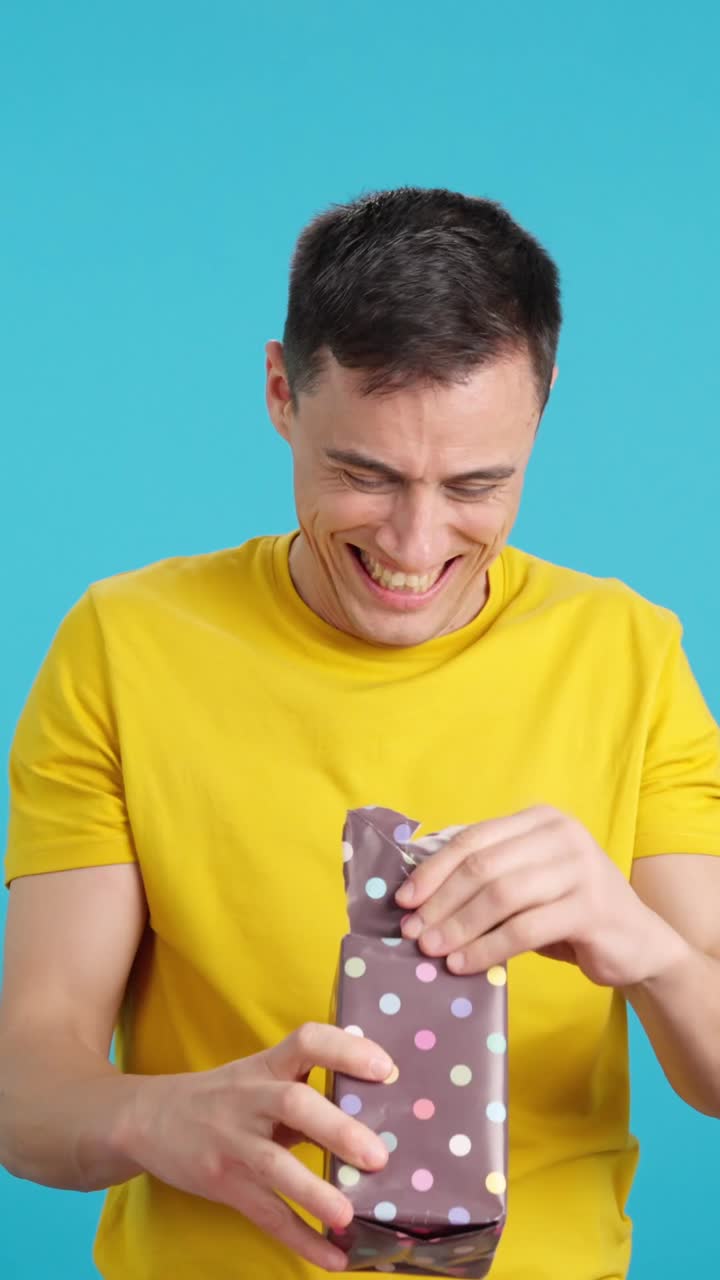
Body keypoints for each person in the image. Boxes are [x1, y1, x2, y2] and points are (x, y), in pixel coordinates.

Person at [1, 186, 719, 1280]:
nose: (416, 546)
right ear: (281, 393)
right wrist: (152, 1117)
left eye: (477, 484)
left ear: (540, 410)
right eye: (363, 474)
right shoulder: (122, 645)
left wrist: (651, 950)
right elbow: (25, 1086)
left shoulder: (630, 655)